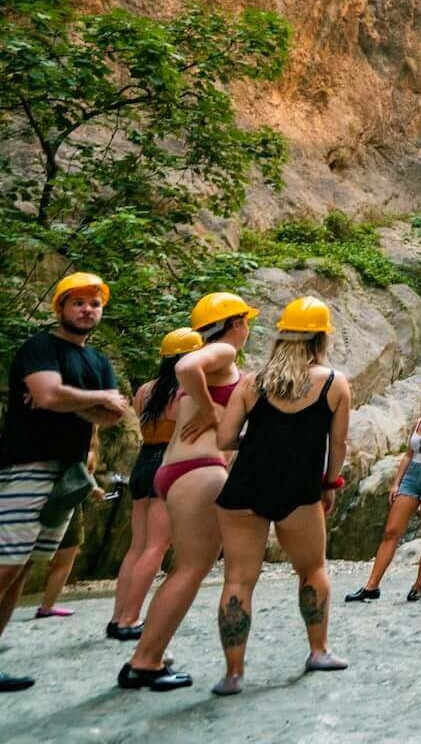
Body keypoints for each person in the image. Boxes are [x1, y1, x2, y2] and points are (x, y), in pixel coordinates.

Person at [210, 295, 352, 695]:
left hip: (245, 487)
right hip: (299, 489)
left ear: (281, 337)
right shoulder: (333, 383)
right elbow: (337, 443)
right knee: (312, 570)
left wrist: (260, 440)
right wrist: (330, 483)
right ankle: (318, 651)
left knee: (238, 578)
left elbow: (224, 438)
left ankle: (234, 674)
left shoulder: (253, 382)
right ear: (321, 339)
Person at [120, 291, 256, 691]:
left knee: (184, 569)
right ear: (235, 324)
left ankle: (149, 652)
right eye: (245, 321)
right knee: (190, 571)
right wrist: (213, 409)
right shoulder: (222, 354)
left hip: (176, 468)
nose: (246, 329)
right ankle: (144, 661)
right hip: (198, 471)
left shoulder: (222, 362)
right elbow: (185, 365)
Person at [0, 272, 127, 693]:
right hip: (26, 465)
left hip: (67, 474)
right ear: (61, 308)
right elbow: (53, 395)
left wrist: (68, 399)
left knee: (21, 572)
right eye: (78, 303)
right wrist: (89, 399)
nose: (87, 309)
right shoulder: (40, 347)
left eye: (94, 303)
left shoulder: (98, 361)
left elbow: (111, 416)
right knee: (7, 564)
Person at [106, 326, 203, 640]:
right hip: (168, 463)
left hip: (143, 463)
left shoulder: (146, 390)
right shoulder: (186, 391)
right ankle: (131, 620)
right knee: (157, 546)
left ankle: (118, 617)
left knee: (138, 546)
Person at [345, 373, 421, 603]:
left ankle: (418, 585)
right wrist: (396, 482)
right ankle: (372, 586)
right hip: (413, 476)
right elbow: (408, 454)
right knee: (391, 531)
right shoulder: (418, 423)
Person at [32, 435, 102, 619]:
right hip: (57, 500)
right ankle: (46, 607)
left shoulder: (89, 439)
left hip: (69, 501)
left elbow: (84, 472)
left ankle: (47, 606)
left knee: (64, 558)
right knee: (32, 559)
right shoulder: (76, 436)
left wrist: (93, 487)